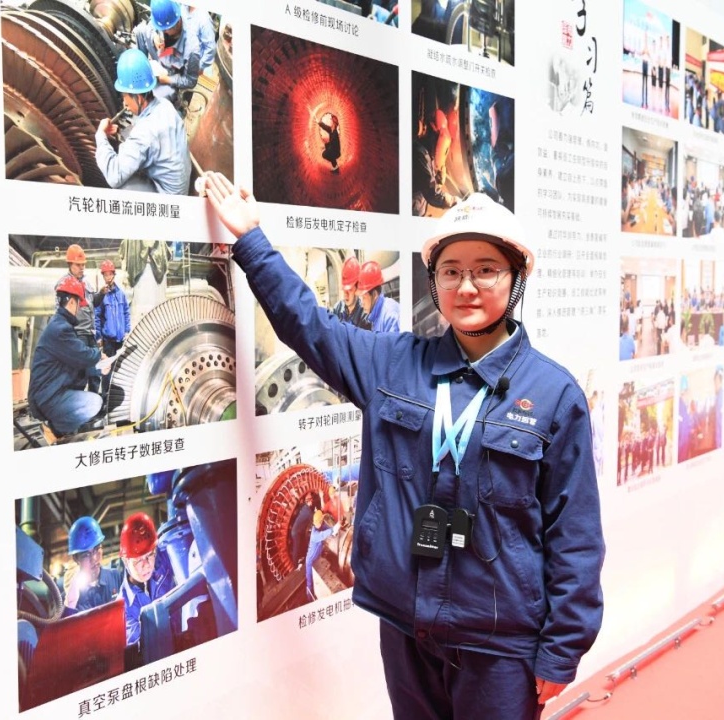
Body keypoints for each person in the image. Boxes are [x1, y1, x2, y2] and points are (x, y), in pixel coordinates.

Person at [201, 172, 604, 719]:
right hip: (407, 628)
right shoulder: (393, 365)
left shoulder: (554, 396)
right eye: (451, 271)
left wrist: (561, 651)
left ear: (516, 277)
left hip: (499, 645)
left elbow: (575, 536)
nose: (466, 287)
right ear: (434, 280)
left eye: (486, 269)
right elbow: (308, 325)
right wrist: (251, 239)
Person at [96, 48, 191, 195]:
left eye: (124, 96)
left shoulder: (144, 132)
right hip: (180, 187)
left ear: (139, 98)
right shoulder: (165, 105)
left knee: (123, 186)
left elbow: (114, 176)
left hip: (169, 199)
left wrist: (100, 136)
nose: (124, 103)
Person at [27, 276, 104, 445]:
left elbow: (77, 362)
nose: (79, 310)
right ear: (71, 302)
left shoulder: (60, 324)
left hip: (50, 392)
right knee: (93, 403)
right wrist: (99, 356)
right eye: (79, 304)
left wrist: (99, 366)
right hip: (47, 397)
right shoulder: (60, 329)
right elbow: (82, 356)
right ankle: (53, 430)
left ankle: (58, 428)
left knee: (88, 394)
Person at [133, 0, 211, 101]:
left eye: (165, 29)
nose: (163, 31)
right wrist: (155, 34)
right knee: (140, 31)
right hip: (162, 56)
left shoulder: (192, 48)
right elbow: (153, 23)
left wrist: (166, 79)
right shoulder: (171, 9)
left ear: (177, 23)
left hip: (173, 73)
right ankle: (142, 69)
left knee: (159, 97)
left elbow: (191, 81)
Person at [119, 512, 176, 647]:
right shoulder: (123, 608)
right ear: (125, 561)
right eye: (138, 560)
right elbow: (142, 649)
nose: (146, 565)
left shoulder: (164, 559)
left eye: (149, 555)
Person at [62, 516, 123, 616]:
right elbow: (65, 625)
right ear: (76, 559)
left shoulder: (116, 578)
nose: (94, 558)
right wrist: (71, 605)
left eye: (97, 549)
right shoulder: (73, 596)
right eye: (86, 555)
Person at [56, 244, 97, 391]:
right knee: (79, 375)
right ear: (70, 264)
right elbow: (60, 312)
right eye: (78, 265)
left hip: (90, 333)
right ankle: (77, 402)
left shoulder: (86, 282)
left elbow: (92, 304)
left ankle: (95, 402)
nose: (82, 268)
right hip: (77, 334)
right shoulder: (63, 284)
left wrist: (101, 295)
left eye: (83, 265)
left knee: (95, 373)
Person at [92, 259, 131, 397]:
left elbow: (126, 313)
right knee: (107, 371)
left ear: (114, 275)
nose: (108, 277)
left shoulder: (121, 294)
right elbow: (97, 316)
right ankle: (105, 398)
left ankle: (117, 398)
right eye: (105, 274)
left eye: (110, 274)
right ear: (103, 276)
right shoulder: (101, 296)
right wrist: (98, 337)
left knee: (120, 370)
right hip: (108, 341)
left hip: (120, 340)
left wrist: (127, 331)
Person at [304, 510, 340, 602]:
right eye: (322, 520)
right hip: (310, 562)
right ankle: (309, 600)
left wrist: (334, 530)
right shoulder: (315, 535)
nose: (323, 521)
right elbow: (323, 535)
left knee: (317, 580)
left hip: (317, 558)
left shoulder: (320, 526)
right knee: (310, 582)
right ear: (318, 522)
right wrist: (333, 530)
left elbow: (327, 528)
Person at [357, 260, 400, 333]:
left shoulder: (390, 317)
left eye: (364, 297)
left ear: (374, 294)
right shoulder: (377, 315)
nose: (361, 304)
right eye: (360, 298)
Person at [332, 256, 368, 329]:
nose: (345, 295)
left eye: (349, 290)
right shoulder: (337, 309)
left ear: (357, 289)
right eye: (344, 290)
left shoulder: (364, 314)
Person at [290, 492, 318, 568]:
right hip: (296, 533)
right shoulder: (308, 512)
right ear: (308, 501)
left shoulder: (304, 506)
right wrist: (316, 512)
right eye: (311, 501)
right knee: (296, 548)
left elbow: (300, 504)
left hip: (296, 531)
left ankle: (300, 558)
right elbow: (314, 519)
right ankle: (295, 566)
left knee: (299, 545)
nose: (312, 502)